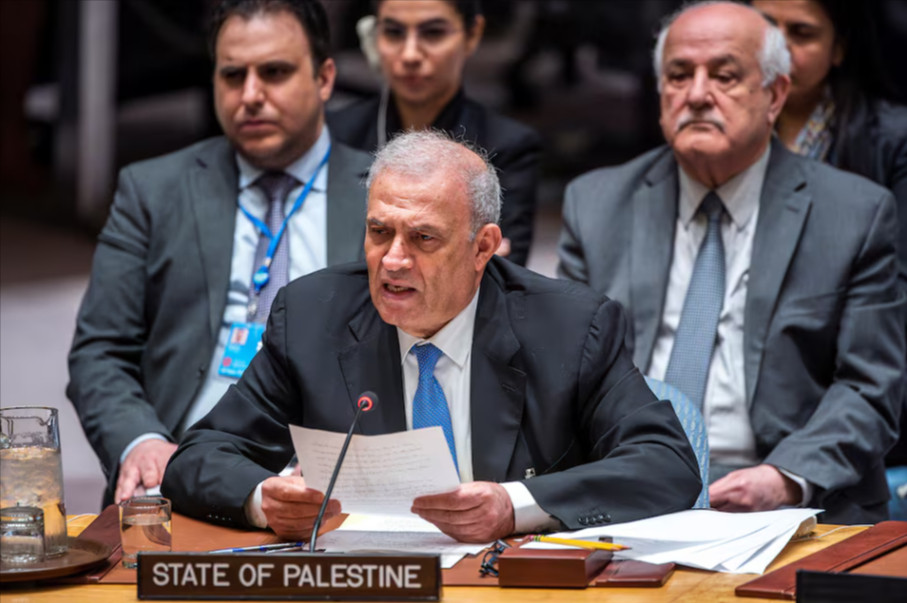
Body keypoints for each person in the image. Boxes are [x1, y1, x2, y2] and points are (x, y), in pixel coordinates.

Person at [161, 130, 701, 543]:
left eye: (422, 238)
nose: (393, 260)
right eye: (379, 232)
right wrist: (262, 500)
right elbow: (199, 455)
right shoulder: (311, 316)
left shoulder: (569, 327)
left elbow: (667, 463)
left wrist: (514, 505)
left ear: (482, 248)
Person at [557, 1, 905, 524]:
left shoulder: (855, 213)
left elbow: (870, 385)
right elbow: (569, 375)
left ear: (774, 95)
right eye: (678, 75)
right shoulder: (597, 204)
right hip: (631, 495)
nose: (697, 95)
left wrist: (783, 479)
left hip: (795, 500)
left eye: (724, 76)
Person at [67, 0, 372, 507]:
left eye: (274, 72)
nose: (250, 95)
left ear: (324, 78)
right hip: (179, 472)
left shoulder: (382, 195)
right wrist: (142, 443)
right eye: (233, 75)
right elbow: (100, 351)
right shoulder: (154, 191)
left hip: (327, 480)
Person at [752, 0, 907, 522]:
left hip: (853, 361)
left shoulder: (891, 139)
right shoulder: (722, 133)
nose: (778, 48)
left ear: (840, 48)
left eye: (801, 34)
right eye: (765, 28)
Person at [327, 0, 541, 266]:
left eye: (433, 33)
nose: (410, 55)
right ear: (372, 36)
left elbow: (504, 276)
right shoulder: (337, 133)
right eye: (394, 33)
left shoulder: (508, 146)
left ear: (472, 34)